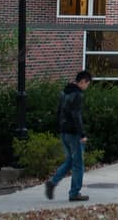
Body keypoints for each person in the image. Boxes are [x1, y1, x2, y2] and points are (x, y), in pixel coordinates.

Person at [45, 70, 92, 202]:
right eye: (87, 83)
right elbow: (76, 115)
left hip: (64, 131)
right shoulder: (77, 95)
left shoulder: (64, 93)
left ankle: (52, 183)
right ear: (83, 81)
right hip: (74, 134)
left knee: (70, 161)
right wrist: (82, 134)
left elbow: (59, 112)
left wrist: (60, 128)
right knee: (78, 164)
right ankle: (74, 193)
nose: (87, 86)